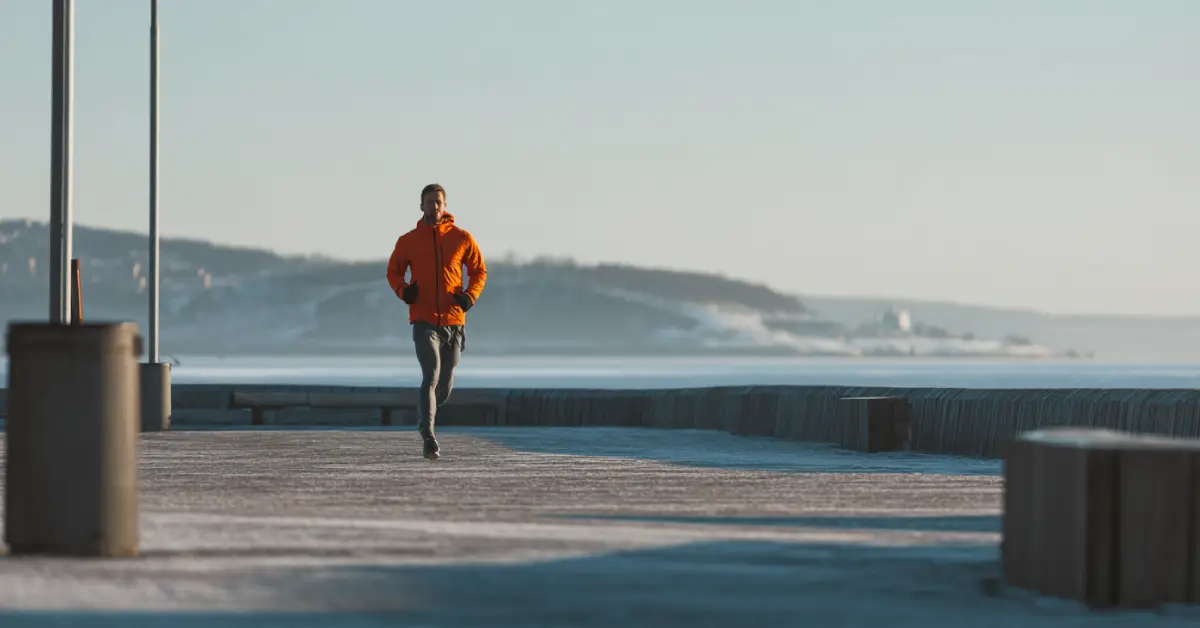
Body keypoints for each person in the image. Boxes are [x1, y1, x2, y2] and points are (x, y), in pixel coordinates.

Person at [387, 183, 488, 459]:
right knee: (430, 375)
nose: (434, 206)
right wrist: (404, 291)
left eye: (438, 202)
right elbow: (394, 272)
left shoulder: (461, 238)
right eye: (429, 201)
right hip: (423, 319)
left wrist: (470, 296)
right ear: (421, 205)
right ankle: (429, 436)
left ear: (445, 206)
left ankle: (426, 412)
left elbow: (479, 271)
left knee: (444, 383)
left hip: (454, 320)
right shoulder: (408, 241)